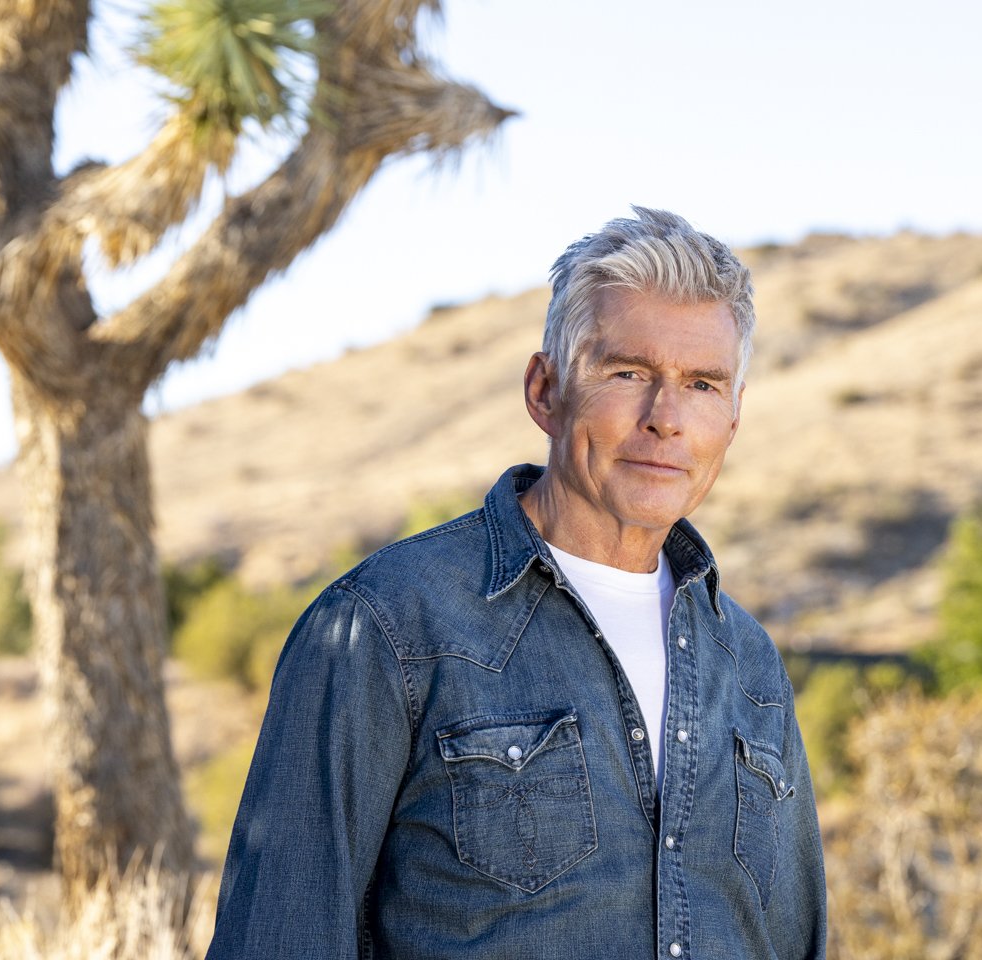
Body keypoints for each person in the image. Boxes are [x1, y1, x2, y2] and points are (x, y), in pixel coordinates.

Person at [205, 207, 827, 959]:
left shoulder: (751, 665)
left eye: (702, 384)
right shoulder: (391, 627)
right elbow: (279, 937)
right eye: (629, 373)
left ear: (732, 417)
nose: (666, 418)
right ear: (545, 390)